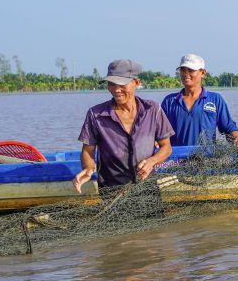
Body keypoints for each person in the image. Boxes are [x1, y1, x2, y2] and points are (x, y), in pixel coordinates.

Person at [73, 59, 174, 192]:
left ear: (136, 83)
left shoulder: (153, 110)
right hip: (113, 190)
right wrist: (88, 168)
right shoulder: (96, 114)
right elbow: (88, 150)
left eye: (121, 84)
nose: (116, 90)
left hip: (148, 187)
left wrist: (151, 161)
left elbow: (166, 147)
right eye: (111, 84)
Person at [161, 53, 238, 147]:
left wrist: (237, 137)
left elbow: (228, 127)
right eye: (183, 70)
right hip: (175, 159)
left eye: (191, 70)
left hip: (206, 159)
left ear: (203, 73)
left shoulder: (215, 99)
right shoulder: (170, 101)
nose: (186, 74)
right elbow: (159, 132)